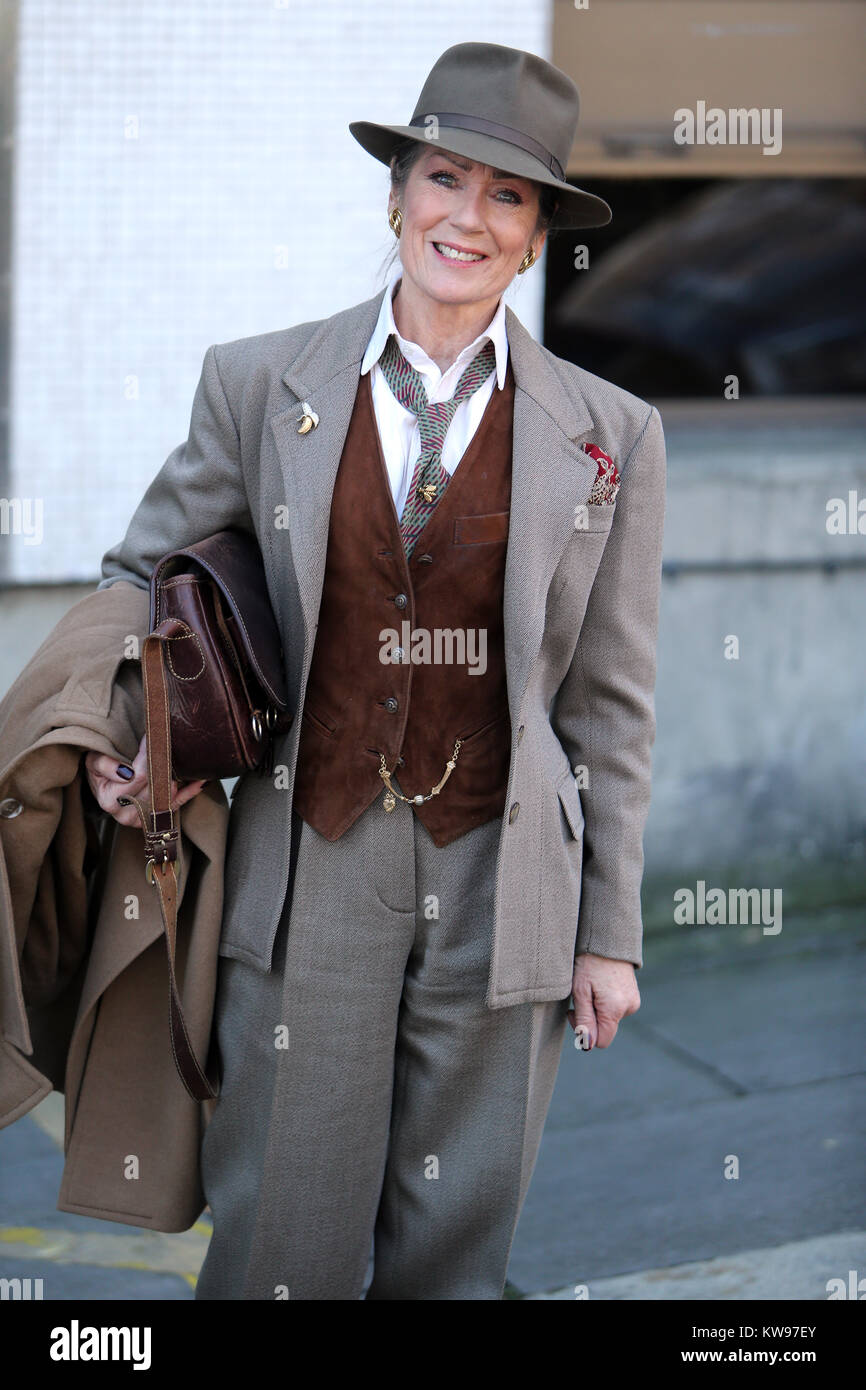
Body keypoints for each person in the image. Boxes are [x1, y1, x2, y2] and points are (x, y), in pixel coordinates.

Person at [85, 41, 666, 1300]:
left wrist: (606, 931)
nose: (466, 216)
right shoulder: (258, 385)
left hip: (505, 879)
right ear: (395, 194)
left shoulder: (613, 434)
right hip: (311, 868)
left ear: (532, 240)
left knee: (456, 1252)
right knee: (278, 1239)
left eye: (504, 196)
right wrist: (125, 730)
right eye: (443, 177)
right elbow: (140, 578)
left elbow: (610, 703)